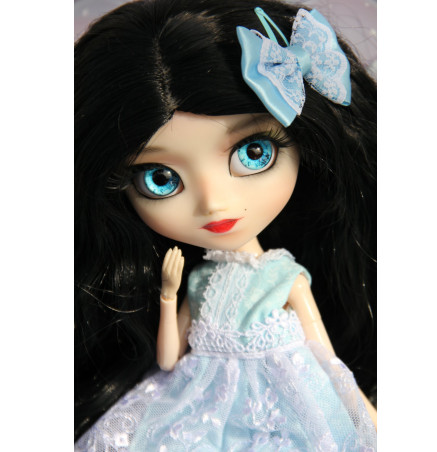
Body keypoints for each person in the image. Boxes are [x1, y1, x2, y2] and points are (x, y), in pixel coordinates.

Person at [75, 0, 377, 449]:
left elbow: (326, 360)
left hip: (282, 406)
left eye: (254, 153)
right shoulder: (199, 282)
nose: (214, 204)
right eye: (160, 178)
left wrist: (367, 418)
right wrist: (168, 295)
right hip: (201, 405)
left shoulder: (286, 276)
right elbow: (168, 360)